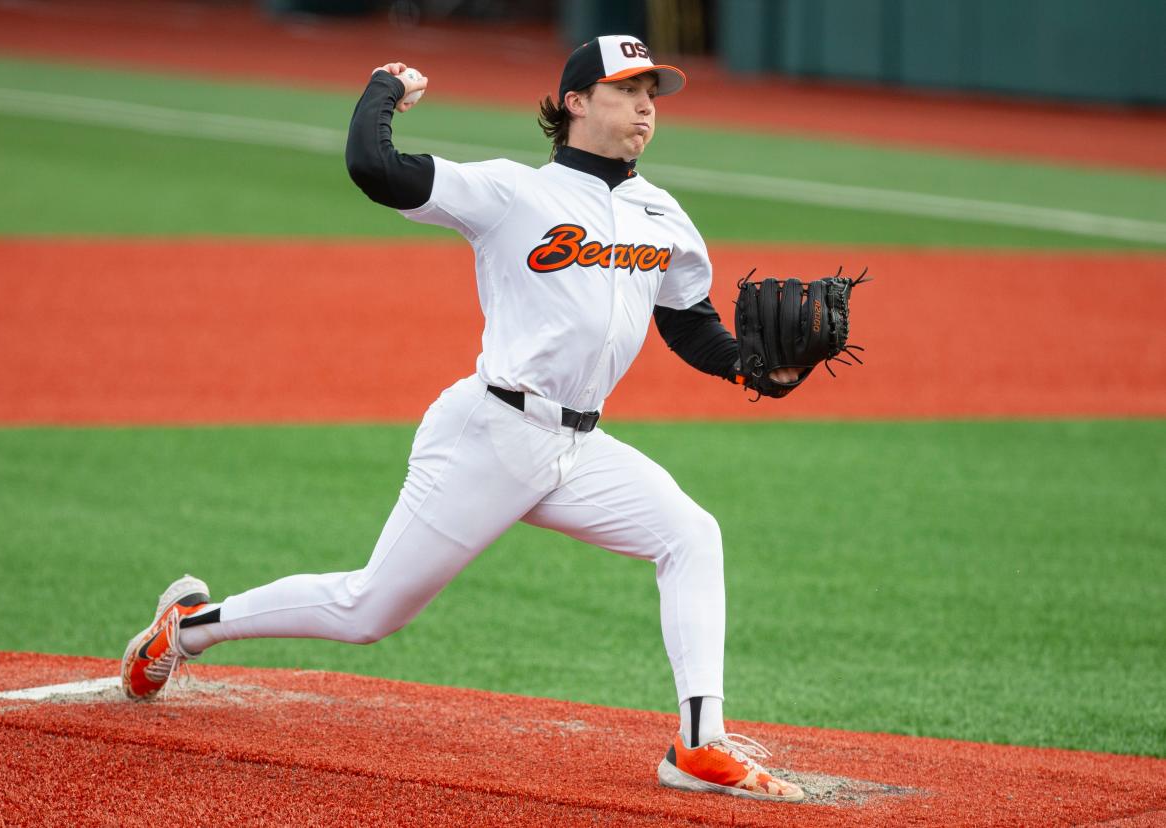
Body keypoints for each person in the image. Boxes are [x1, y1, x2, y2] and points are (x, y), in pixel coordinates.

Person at [121, 34, 805, 804]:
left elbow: (690, 323)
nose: (646, 105)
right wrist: (383, 89)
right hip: (491, 435)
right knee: (367, 610)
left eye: (653, 91)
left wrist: (754, 368)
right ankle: (184, 627)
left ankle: (699, 742)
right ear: (576, 103)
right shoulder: (513, 193)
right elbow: (375, 170)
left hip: (579, 448)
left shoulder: (661, 213)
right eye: (626, 89)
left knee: (691, 534)